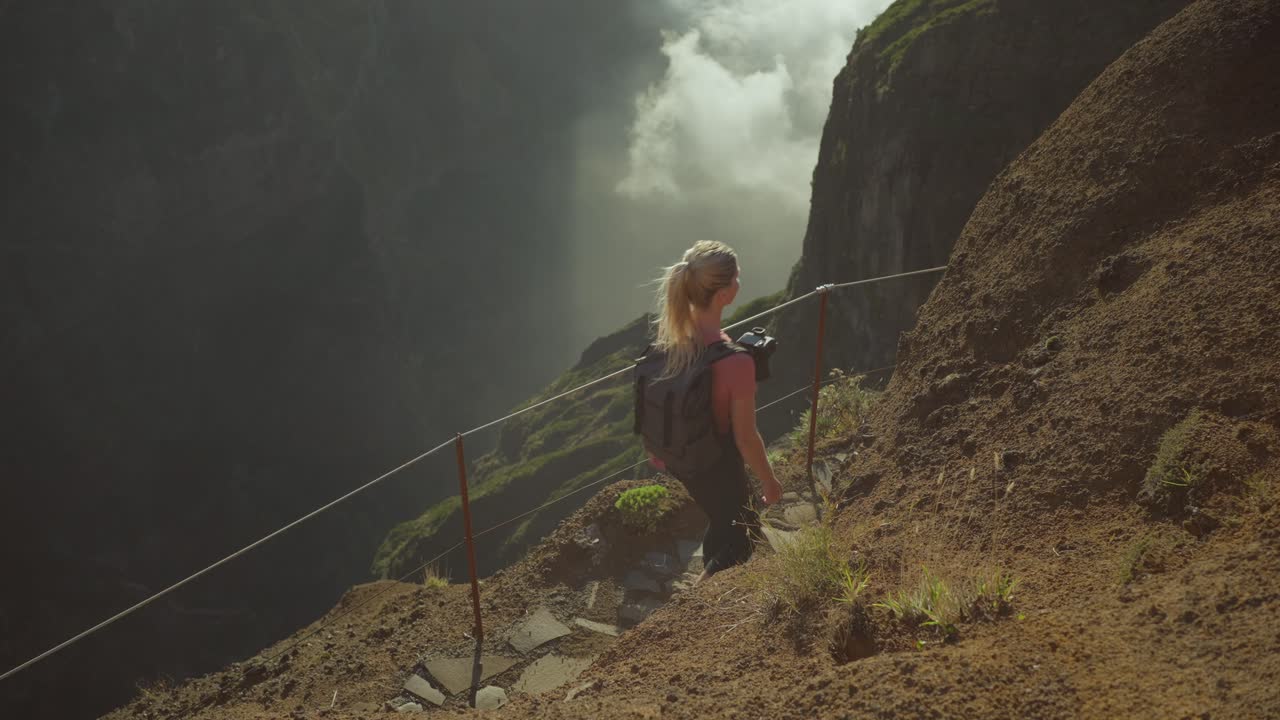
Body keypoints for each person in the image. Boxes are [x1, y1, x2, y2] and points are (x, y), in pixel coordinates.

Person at [645, 240, 782, 581]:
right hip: (713, 462)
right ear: (723, 294)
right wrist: (769, 481)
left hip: (678, 459)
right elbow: (746, 438)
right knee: (744, 531)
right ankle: (697, 606)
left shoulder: (669, 343)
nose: (740, 282)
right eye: (736, 277)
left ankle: (708, 579)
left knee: (723, 517)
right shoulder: (734, 361)